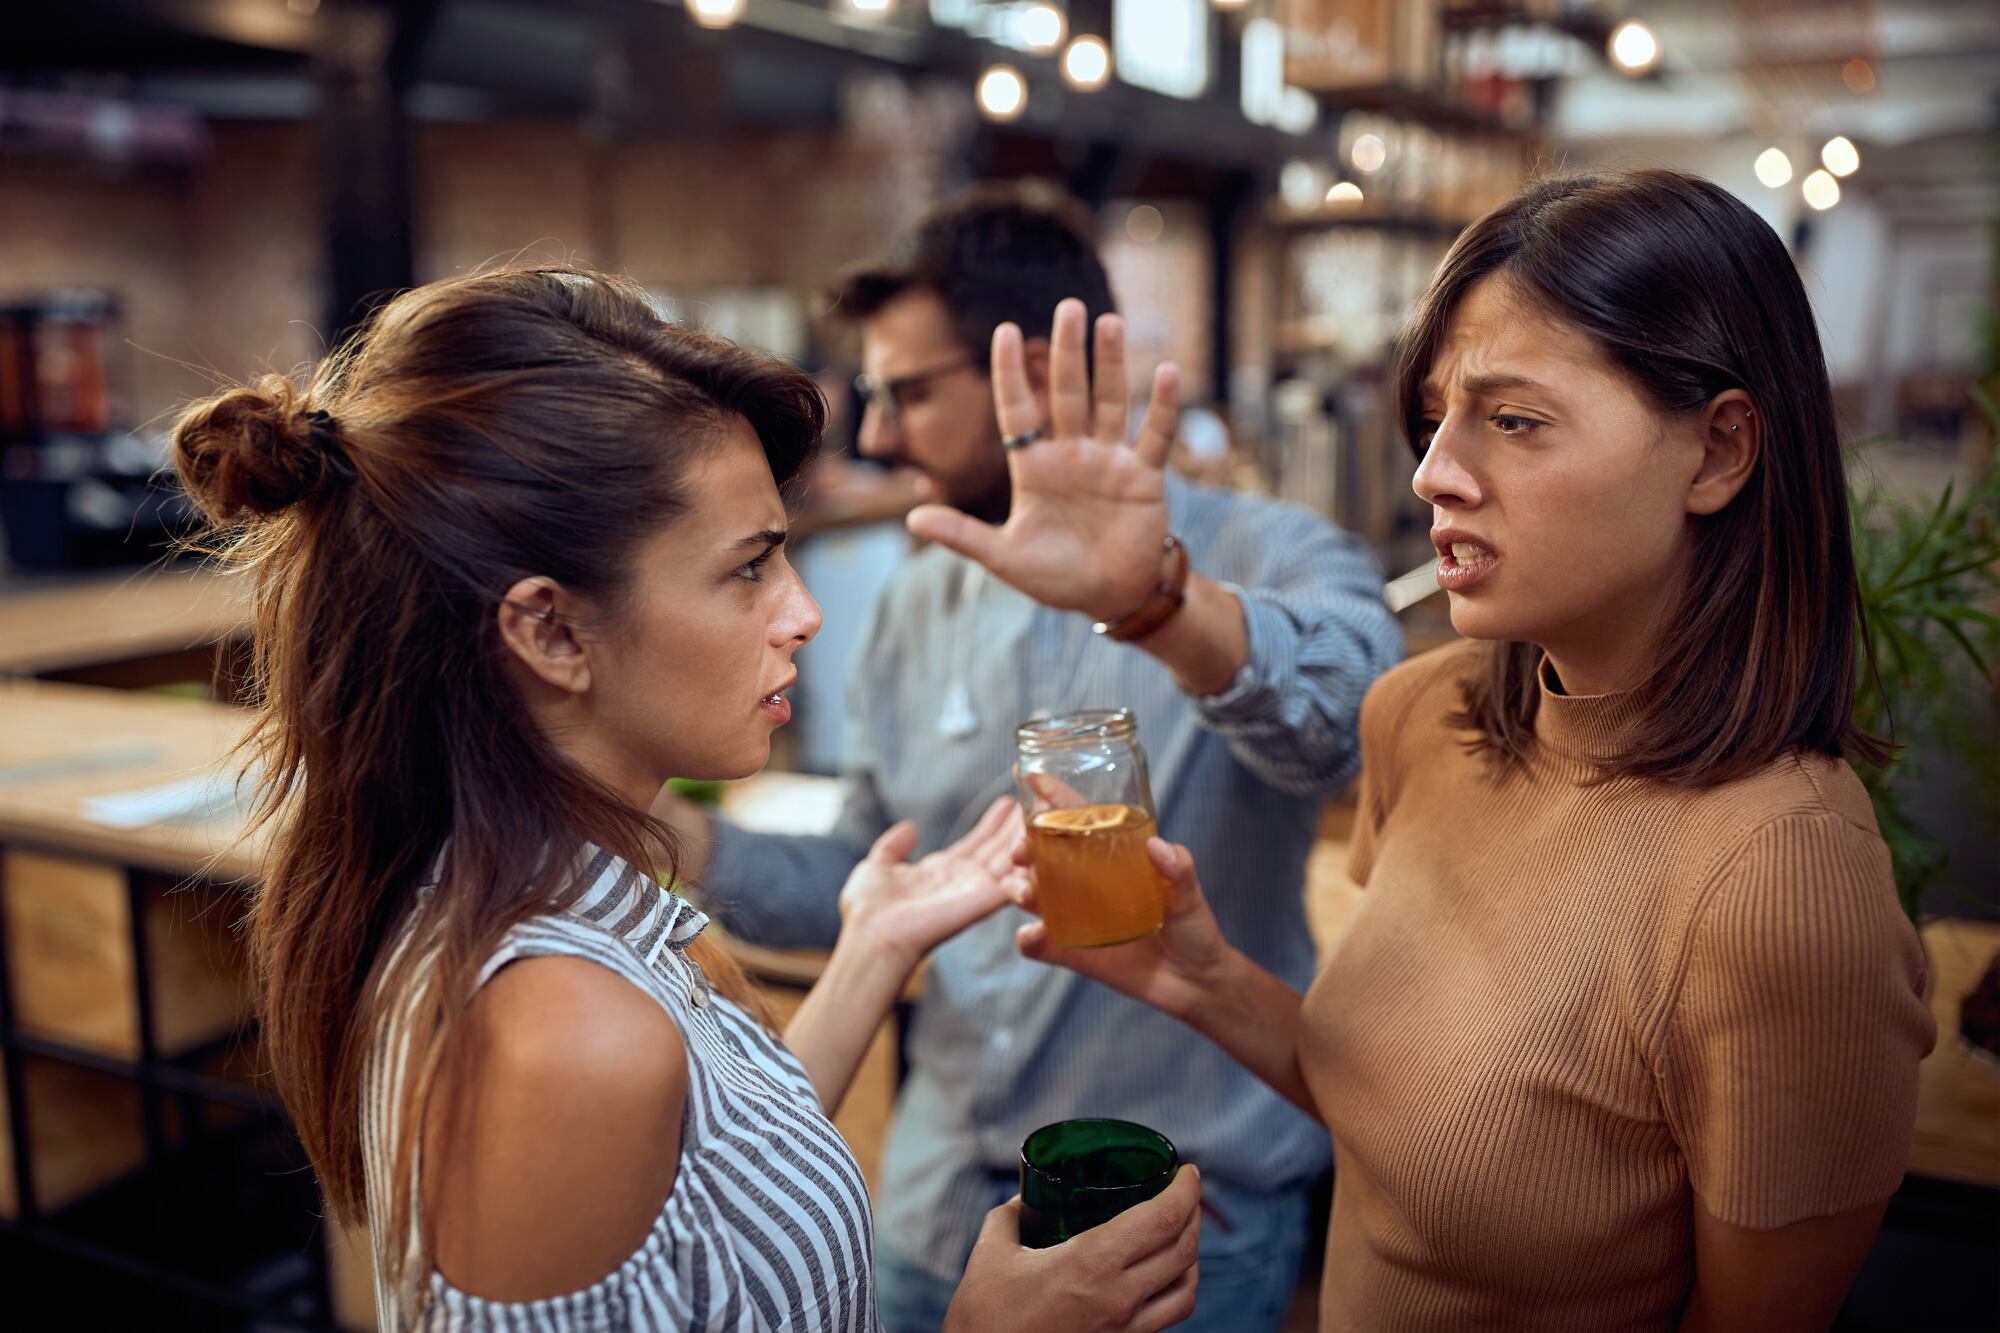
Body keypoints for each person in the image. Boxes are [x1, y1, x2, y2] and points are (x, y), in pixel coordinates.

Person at [169, 264, 1203, 1332]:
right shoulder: (561, 1027)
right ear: (549, 630)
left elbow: (699, 1203)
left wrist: (871, 949)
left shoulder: (534, 891)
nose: (800, 613)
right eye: (749, 567)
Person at [1008, 167, 1940, 1331]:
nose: (1433, 473)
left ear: (1716, 453)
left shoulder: (1779, 877)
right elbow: (1403, 1110)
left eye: (1512, 419)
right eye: (1438, 415)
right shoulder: (1429, 714)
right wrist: (1201, 978)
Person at [657, 187, 1403, 1332]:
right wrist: (679, 838)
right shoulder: (915, 597)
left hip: (1174, 1224)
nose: (875, 438)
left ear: (1044, 370)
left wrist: (1162, 608)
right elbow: (878, 861)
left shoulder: (1261, 550)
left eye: (907, 393)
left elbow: (1355, 717)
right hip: (931, 1210)